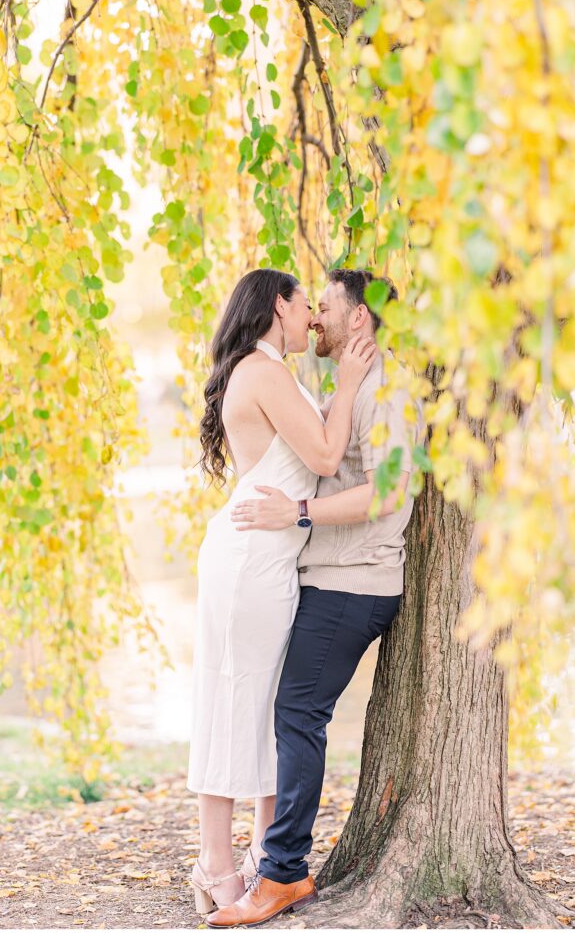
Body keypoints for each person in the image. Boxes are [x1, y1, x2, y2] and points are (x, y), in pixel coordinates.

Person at [205, 268, 424, 928]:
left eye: (327, 307)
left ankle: (283, 872)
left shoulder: (389, 394)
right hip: (318, 578)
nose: (318, 317)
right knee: (285, 711)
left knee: (296, 713)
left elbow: (386, 495)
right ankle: (260, 861)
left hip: (353, 583)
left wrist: (296, 513)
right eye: (312, 306)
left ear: (360, 319)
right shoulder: (335, 387)